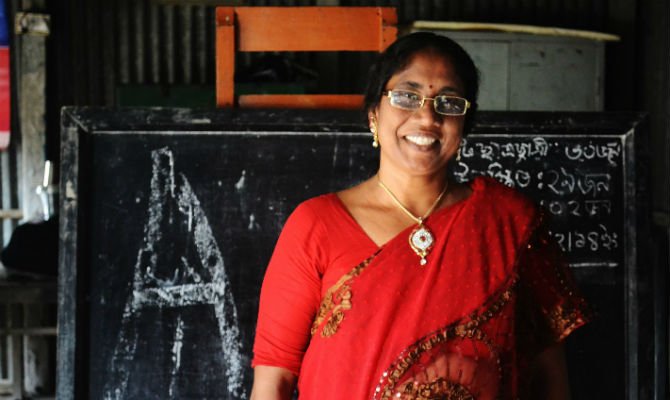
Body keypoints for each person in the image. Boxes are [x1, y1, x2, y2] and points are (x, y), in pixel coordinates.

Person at [250, 32, 590, 399]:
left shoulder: (509, 223)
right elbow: (274, 381)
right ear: (374, 114)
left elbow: (549, 377)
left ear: (465, 124)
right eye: (407, 96)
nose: (427, 117)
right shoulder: (316, 225)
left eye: (449, 102)